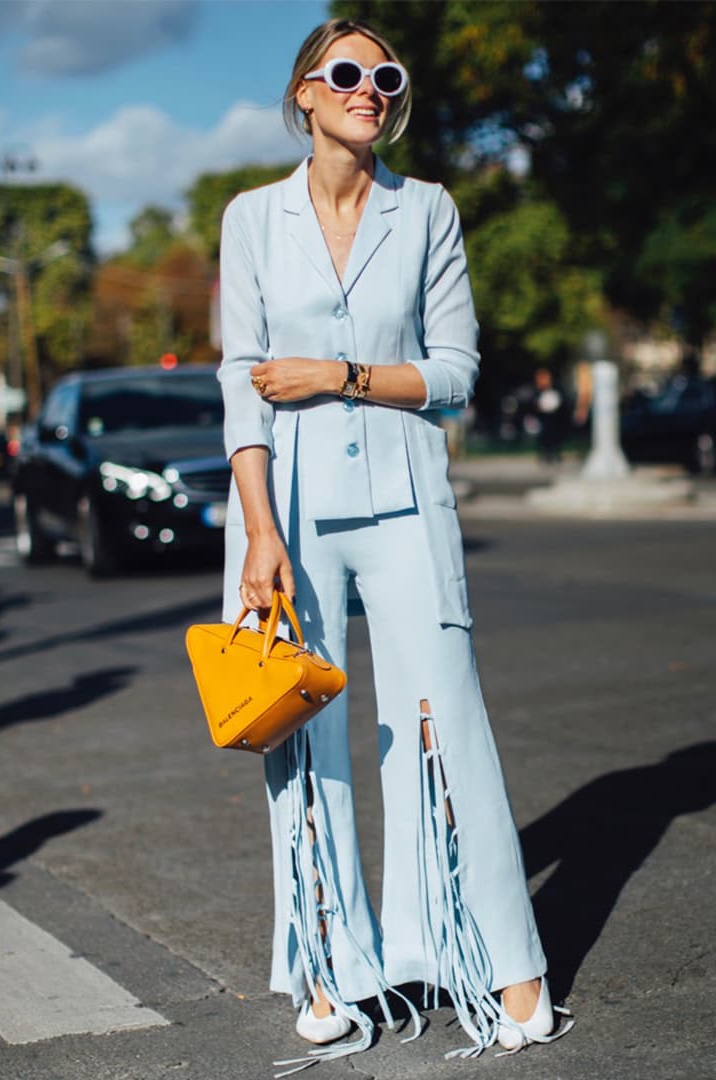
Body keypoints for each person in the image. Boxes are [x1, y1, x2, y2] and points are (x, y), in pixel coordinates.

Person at [218, 18, 572, 1075]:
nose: (368, 89)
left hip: (409, 501)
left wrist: (338, 374)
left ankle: (506, 966)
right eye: (347, 74)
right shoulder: (252, 218)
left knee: (446, 723)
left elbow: (457, 370)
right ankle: (328, 970)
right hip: (285, 505)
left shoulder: (428, 211)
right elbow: (240, 379)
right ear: (305, 95)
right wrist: (259, 533)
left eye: (384, 75)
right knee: (305, 743)